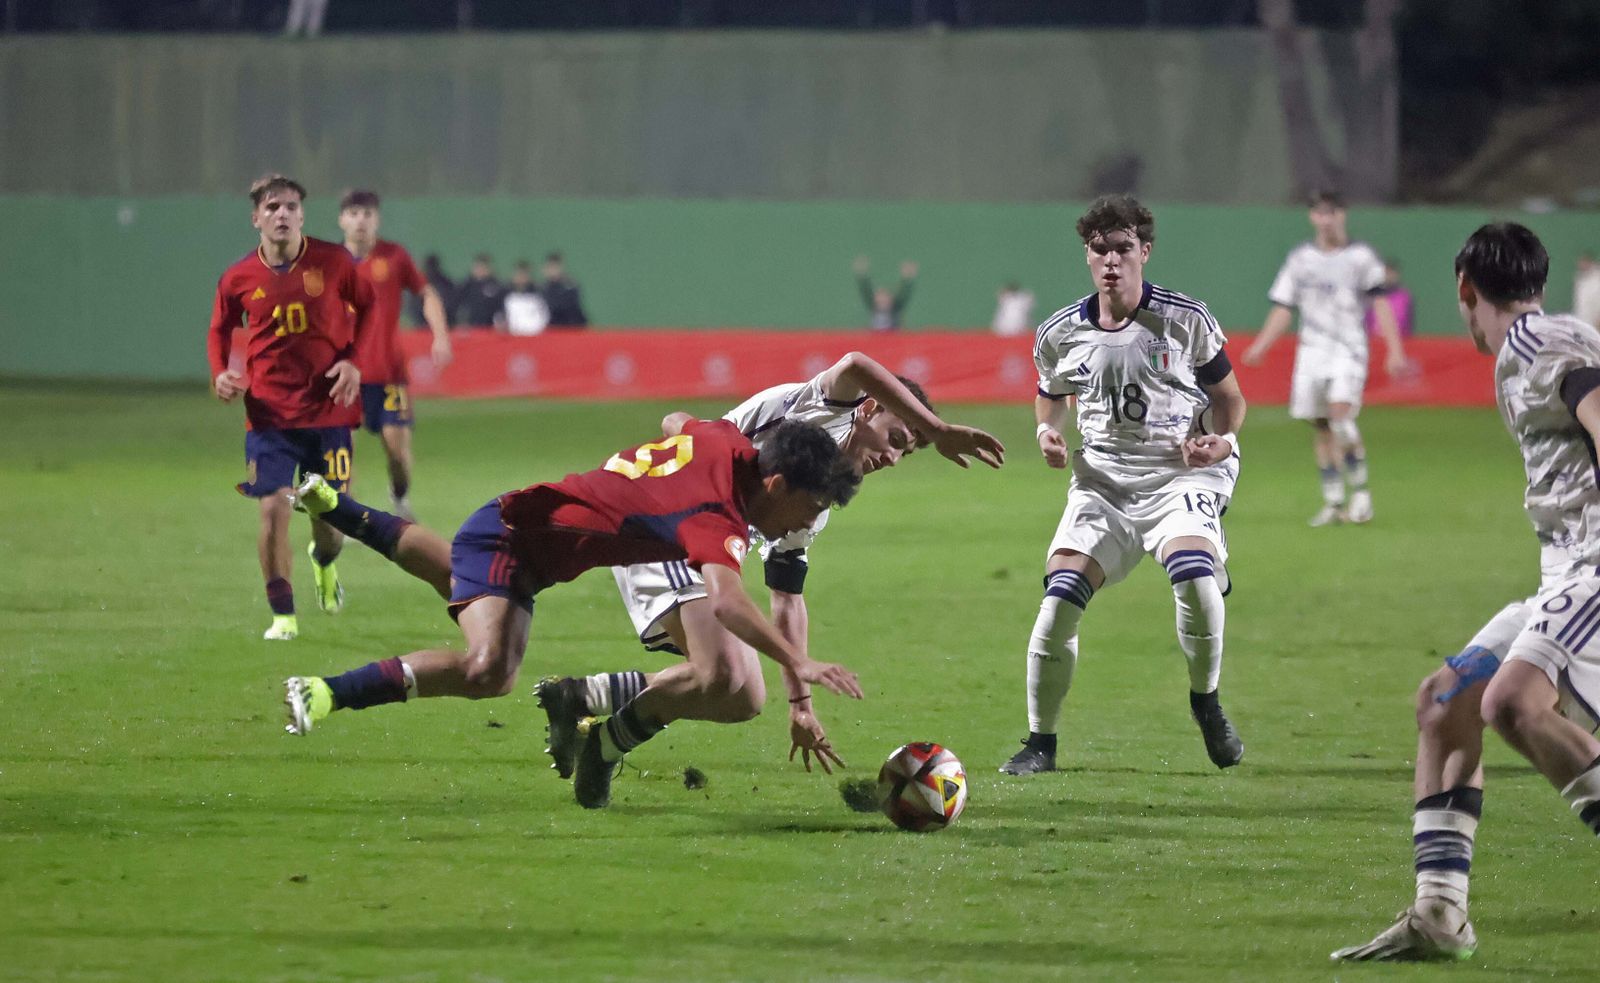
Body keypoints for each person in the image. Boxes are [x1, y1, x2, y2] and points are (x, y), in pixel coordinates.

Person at [280, 418, 868, 810]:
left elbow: (676, 421)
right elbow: (728, 602)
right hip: (513, 541)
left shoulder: (724, 438)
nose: (805, 522)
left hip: (521, 535)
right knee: (488, 670)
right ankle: (326, 691)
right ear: (776, 482)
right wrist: (799, 662)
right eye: (810, 505)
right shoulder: (714, 517)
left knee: (453, 575)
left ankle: (337, 507)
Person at [534, 353, 1006, 807]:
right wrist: (938, 429)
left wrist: (801, 705)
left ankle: (592, 716)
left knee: (742, 697)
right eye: (897, 438)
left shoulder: (818, 495)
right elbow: (855, 364)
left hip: (705, 546)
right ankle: (597, 730)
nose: (895, 458)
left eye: (907, 451)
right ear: (868, 409)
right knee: (723, 673)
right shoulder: (821, 410)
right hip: (670, 524)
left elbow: (787, 598)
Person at [1331, 223, 1600, 962]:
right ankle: (1439, 914)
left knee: (1513, 702)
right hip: (1565, 576)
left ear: (1464, 288)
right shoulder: (1541, 344)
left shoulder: (1538, 344)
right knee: (1445, 700)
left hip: (1596, 570)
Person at [1000, 194, 1247, 776]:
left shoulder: (1186, 319)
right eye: (1100, 249)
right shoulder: (1060, 332)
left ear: (1145, 252)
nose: (1111, 259)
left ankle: (1206, 702)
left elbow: (1229, 397)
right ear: (1087, 255)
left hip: (1180, 474)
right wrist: (1046, 433)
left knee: (1194, 580)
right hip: (1103, 483)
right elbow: (1051, 395)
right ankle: (1040, 744)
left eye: (1123, 248)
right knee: (1059, 602)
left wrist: (1221, 439)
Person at [206, 173, 374, 640]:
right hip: (269, 419)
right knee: (272, 510)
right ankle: (283, 615)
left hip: (329, 414)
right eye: (273, 207)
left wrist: (354, 362)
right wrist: (220, 371)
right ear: (256, 218)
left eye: (291, 207)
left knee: (330, 524)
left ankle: (323, 561)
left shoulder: (333, 262)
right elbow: (219, 329)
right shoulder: (238, 277)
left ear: (302, 215)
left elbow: (370, 308)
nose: (282, 214)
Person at [1242, 190, 1409, 527]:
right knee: (1320, 425)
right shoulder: (1300, 259)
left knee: (1341, 418)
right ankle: (1334, 502)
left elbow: (1380, 303)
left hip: (1349, 349)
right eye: (1319, 213)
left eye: (1332, 212)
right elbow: (1284, 306)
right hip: (1312, 352)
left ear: (1342, 214)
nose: (1326, 219)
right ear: (1311, 217)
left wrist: (1395, 350)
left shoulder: (1361, 257)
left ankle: (1361, 495)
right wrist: (1261, 346)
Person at [337, 190, 452, 522]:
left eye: (367, 214)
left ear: (377, 219)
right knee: (341, 452)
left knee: (398, 453)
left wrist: (440, 335)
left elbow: (426, 293)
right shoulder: (329, 264)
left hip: (389, 375)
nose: (360, 220)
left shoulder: (394, 256)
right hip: (345, 376)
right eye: (354, 213)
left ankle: (399, 497)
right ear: (342, 220)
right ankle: (346, 519)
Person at [854, 256, 917, 331]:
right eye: (879, 300)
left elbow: (904, 293)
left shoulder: (896, 308)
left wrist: (908, 279)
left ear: (891, 299)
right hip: (876, 336)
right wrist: (862, 275)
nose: (882, 302)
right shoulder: (873, 307)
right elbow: (866, 291)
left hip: (892, 336)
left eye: (885, 299)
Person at [1366, 259, 1414, 339]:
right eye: (1387, 273)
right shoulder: (1370, 296)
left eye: (1392, 273)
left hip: (1399, 340)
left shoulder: (1404, 296)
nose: (1389, 276)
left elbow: (1407, 322)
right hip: (1374, 341)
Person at [454, 254, 505, 328]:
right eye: (478, 267)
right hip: (471, 326)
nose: (480, 270)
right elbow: (458, 304)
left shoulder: (496, 286)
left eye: (483, 267)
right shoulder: (466, 285)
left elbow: (500, 307)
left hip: (490, 327)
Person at [502, 260, 550, 336]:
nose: (521, 278)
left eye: (524, 275)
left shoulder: (537, 296)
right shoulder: (507, 296)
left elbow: (545, 316)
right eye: (519, 274)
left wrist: (536, 331)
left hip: (534, 336)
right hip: (513, 336)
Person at [541, 252, 588, 328]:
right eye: (550, 267)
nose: (553, 270)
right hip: (552, 328)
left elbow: (571, 308)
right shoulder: (543, 288)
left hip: (570, 326)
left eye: (555, 267)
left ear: (560, 267)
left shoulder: (570, 285)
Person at [1573, 252, 1600, 329]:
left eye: (1584, 261)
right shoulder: (1580, 279)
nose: (1581, 264)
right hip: (1582, 323)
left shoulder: (1597, 279)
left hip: (1595, 325)